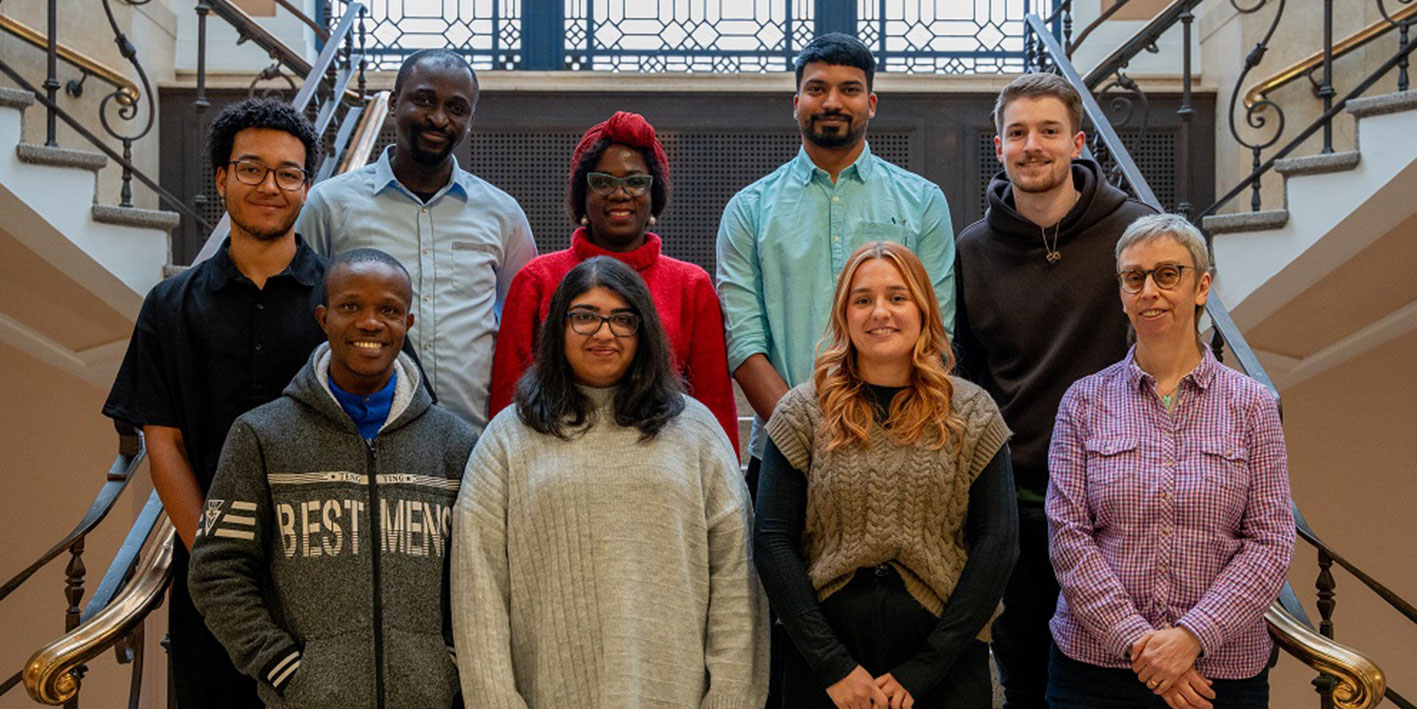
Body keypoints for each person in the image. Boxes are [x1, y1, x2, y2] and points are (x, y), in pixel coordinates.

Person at [451, 257, 767, 707]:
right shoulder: (508, 437)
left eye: (623, 319)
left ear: (645, 332)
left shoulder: (696, 433)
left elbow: (737, 584)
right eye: (584, 317)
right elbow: (478, 596)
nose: (604, 333)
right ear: (558, 327)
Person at [101, 98, 325, 708]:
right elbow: (163, 442)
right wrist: (215, 557)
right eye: (251, 169)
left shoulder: (344, 301)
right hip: (211, 577)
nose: (269, 186)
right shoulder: (169, 306)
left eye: (288, 173)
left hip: (330, 575)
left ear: (307, 187)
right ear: (221, 178)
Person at [188, 249, 478, 708]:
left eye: (389, 310)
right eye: (350, 307)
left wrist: (450, 663)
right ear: (323, 318)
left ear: (409, 323)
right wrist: (283, 668)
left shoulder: (455, 444)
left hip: (428, 695)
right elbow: (216, 571)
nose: (370, 323)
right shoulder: (261, 435)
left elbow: (479, 576)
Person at [952, 72, 1158, 708]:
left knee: (1120, 678)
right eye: (1018, 133)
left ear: (1078, 141)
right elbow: (967, 377)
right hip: (1019, 505)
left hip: (1118, 503)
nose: (1032, 146)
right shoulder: (973, 250)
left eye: (1048, 131)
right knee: (1024, 683)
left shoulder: (1137, 233)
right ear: (999, 146)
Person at [1046, 214, 1294, 709]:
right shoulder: (1084, 402)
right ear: (1121, 293)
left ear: (1202, 286)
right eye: (1134, 278)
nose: (1149, 291)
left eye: (1167, 274)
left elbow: (1271, 541)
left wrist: (1191, 637)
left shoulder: (1253, 405)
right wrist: (1140, 644)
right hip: (1096, 673)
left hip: (1219, 672)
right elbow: (1067, 534)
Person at [756, 241, 1017, 709]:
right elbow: (773, 542)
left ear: (923, 309)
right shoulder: (801, 412)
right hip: (826, 670)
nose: (881, 312)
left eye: (897, 297)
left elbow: (998, 544)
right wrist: (832, 665)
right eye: (863, 299)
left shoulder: (972, 412)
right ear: (844, 314)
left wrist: (927, 669)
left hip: (942, 669)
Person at [716, 31, 956, 494]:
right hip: (785, 454)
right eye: (817, 88)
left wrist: (884, 434)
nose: (832, 101)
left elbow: (937, 332)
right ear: (796, 101)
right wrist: (807, 432)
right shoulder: (749, 210)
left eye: (848, 89)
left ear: (871, 103)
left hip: (903, 446)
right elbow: (744, 344)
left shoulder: (923, 202)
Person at [297, 48, 536, 431]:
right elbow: (300, 317)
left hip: (475, 440)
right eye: (424, 100)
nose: (438, 118)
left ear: (469, 120)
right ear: (394, 104)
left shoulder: (503, 215)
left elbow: (524, 330)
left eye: (456, 108)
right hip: (358, 436)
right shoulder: (330, 204)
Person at [489, 111, 738, 452]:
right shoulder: (537, 279)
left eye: (635, 181)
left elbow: (715, 408)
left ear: (655, 195)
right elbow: (508, 403)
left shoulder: (691, 285)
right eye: (603, 181)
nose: (620, 193)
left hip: (666, 468)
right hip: (552, 465)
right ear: (582, 195)